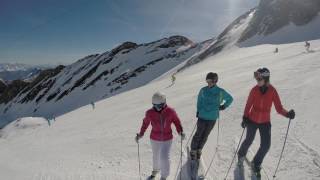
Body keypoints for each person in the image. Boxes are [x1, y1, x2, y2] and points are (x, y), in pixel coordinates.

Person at [237, 68, 295, 177]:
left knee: (266, 145)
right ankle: (240, 155)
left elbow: (278, 108)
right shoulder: (254, 90)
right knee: (249, 140)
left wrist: (287, 114)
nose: (257, 80)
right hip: (252, 120)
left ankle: (256, 163)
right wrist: (245, 117)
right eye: (256, 78)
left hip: (265, 122)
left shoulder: (272, 91)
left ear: (266, 78)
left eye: (259, 78)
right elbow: (248, 104)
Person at [135, 92, 185, 180]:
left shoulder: (170, 111)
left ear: (164, 103)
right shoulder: (150, 113)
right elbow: (145, 123)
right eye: (155, 106)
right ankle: (155, 170)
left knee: (164, 157)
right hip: (154, 138)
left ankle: (164, 176)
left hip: (167, 139)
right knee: (156, 155)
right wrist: (141, 134)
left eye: (160, 106)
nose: (158, 108)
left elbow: (176, 121)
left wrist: (180, 131)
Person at [190, 72, 233, 161]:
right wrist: (198, 111)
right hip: (202, 116)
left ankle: (199, 149)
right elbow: (199, 101)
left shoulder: (220, 91)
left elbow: (230, 98)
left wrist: (224, 106)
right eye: (207, 81)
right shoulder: (203, 90)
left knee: (205, 135)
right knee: (198, 134)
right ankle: (193, 150)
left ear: (215, 81)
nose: (208, 83)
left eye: (210, 81)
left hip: (212, 118)